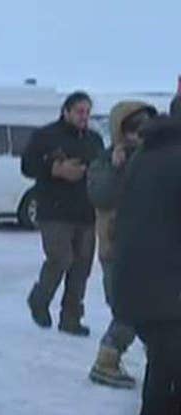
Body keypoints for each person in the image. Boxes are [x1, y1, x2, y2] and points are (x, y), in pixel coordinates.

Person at [113, 97, 181, 415]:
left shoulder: (150, 152)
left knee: (165, 367)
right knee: (169, 372)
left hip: (144, 283)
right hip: (166, 285)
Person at [22, 92, 105, 336]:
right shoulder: (45, 136)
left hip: (86, 212)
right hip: (55, 211)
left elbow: (101, 169)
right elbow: (27, 166)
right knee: (60, 259)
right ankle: (40, 299)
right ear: (66, 111)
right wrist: (54, 169)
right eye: (80, 111)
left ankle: (71, 318)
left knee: (81, 268)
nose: (84, 117)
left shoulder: (94, 140)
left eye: (87, 112)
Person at [86, 101, 156, 389]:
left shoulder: (154, 157)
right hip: (118, 248)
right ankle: (106, 360)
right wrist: (116, 168)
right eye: (132, 129)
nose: (137, 136)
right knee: (128, 309)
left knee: (156, 307)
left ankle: (160, 361)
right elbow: (100, 196)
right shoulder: (105, 161)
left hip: (153, 245)